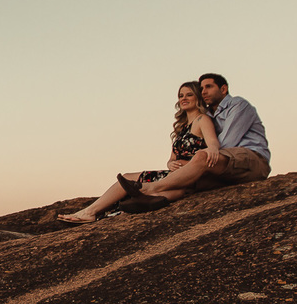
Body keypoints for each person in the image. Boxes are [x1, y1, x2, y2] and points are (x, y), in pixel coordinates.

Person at [58, 81, 220, 224]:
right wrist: (171, 163)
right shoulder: (181, 127)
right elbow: (171, 159)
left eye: (189, 95)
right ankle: (90, 211)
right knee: (128, 177)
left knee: (134, 183)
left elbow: (212, 144)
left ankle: (90, 212)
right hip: (174, 173)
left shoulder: (202, 120)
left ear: (197, 97)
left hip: (191, 176)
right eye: (180, 95)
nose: (183, 98)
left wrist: (209, 150)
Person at [117, 73, 270, 213]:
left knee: (201, 159)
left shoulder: (238, 105)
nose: (203, 91)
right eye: (201, 88)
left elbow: (227, 142)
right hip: (225, 168)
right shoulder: (208, 114)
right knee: (187, 181)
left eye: (208, 87)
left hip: (250, 159)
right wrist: (180, 164)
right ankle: (155, 199)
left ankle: (148, 189)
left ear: (223, 89)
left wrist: (192, 162)